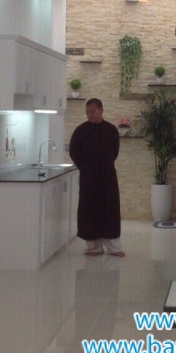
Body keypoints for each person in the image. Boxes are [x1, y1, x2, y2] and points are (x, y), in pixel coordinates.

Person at [69, 98, 125, 257]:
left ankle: (114, 247)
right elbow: (74, 152)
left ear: (101, 110)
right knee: (90, 210)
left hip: (108, 177)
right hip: (88, 178)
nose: (90, 115)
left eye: (92, 112)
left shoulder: (111, 130)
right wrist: (85, 167)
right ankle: (94, 247)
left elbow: (114, 152)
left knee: (110, 210)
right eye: (87, 112)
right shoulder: (80, 131)